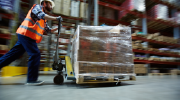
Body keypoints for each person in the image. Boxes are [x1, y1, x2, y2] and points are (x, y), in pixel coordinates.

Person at [0, 0, 62, 85]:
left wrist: (55, 30)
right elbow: (41, 15)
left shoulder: (44, 20)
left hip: (26, 35)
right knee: (35, 54)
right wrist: (56, 18)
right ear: (44, 3)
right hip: (26, 34)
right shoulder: (37, 7)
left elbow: (47, 30)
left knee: (12, 55)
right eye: (50, 4)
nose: (51, 7)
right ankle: (31, 80)